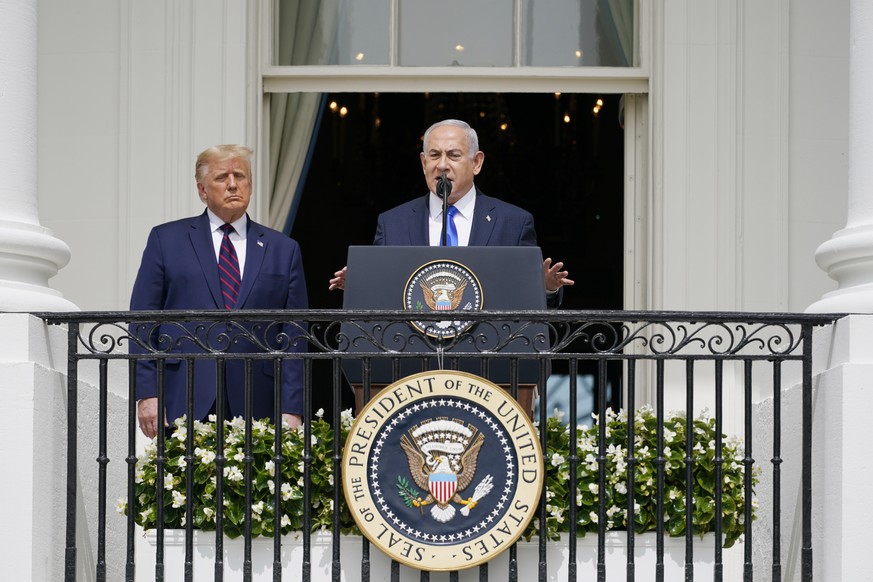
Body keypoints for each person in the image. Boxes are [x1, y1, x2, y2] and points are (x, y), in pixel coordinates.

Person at [130, 145, 308, 438]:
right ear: (202, 190)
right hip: (183, 393)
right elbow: (143, 320)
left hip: (258, 399)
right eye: (222, 177)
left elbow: (295, 333)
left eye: (240, 176)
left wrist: (292, 407)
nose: (233, 184)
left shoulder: (283, 249)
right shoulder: (166, 240)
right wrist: (147, 393)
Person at [329, 119, 573, 304]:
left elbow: (529, 306)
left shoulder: (513, 222)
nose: (442, 165)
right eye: (434, 155)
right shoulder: (393, 223)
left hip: (486, 363)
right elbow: (382, 293)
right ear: (424, 163)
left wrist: (545, 287)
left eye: (454, 155)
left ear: (476, 162)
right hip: (415, 362)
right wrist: (360, 285)